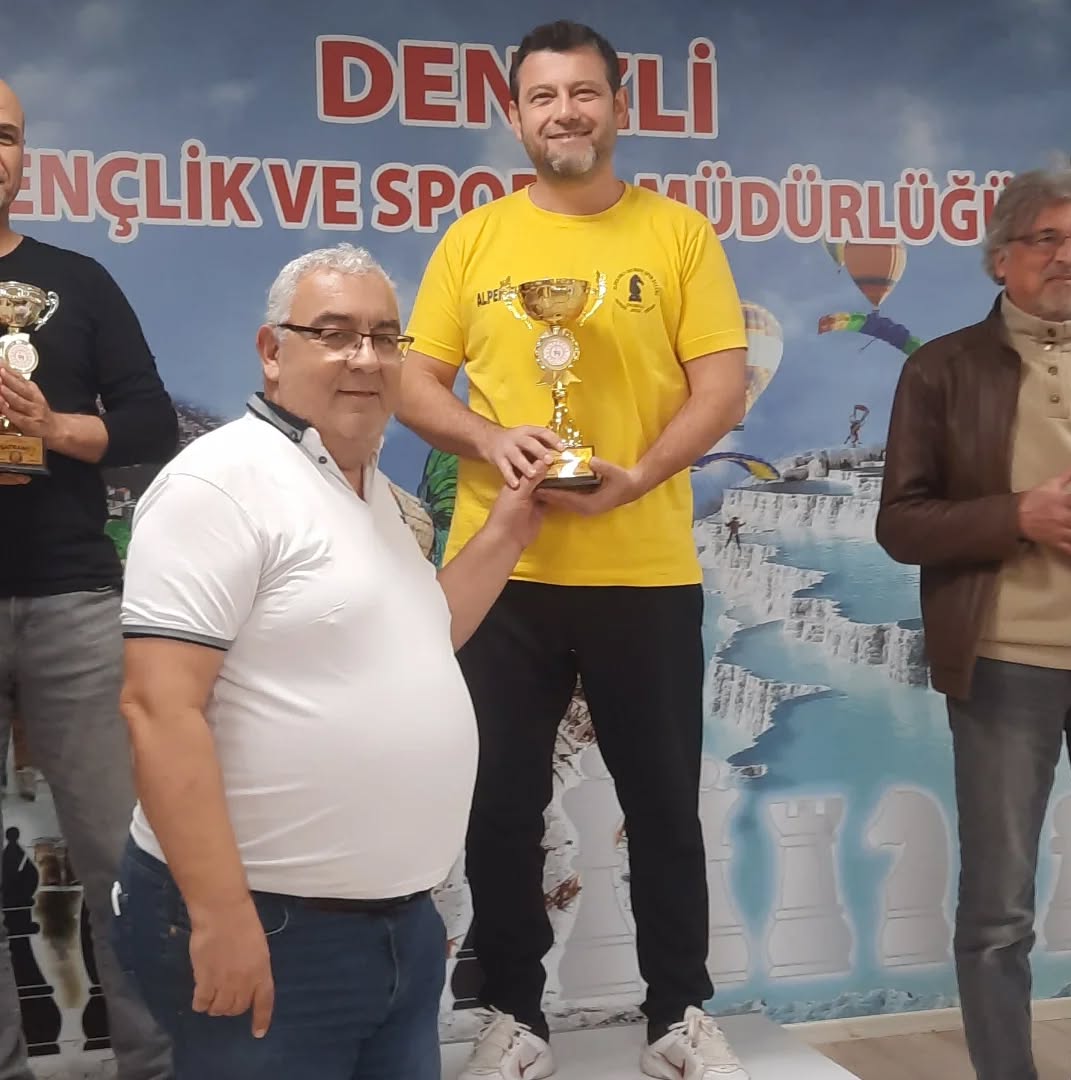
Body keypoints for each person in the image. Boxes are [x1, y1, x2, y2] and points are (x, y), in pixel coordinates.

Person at [397, 20, 749, 1080]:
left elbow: (721, 389)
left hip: (643, 570)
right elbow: (416, 381)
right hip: (503, 574)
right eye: (544, 97)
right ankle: (514, 1013)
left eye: (584, 93)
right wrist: (486, 438)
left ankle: (679, 1014)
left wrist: (639, 474)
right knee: (500, 806)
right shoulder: (475, 240)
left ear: (618, 108)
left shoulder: (678, 235)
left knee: (663, 807)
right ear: (516, 117)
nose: (565, 113)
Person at [110, 243, 546, 1080]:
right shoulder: (222, 484)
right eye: (336, 334)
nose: (366, 359)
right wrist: (219, 915)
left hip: (397, 928)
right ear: (273, 351)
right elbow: (159, 708)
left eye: (385, 337)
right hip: (269, 928)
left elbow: (419, 636)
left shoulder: (366, 489)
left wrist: (508, 531)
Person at [877, 168, 1071, 1080]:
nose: (1069, 256)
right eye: (1048, 238)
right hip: (1006, 664)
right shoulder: (941, 369)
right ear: (1002, 259)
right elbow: (901, 524)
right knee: (1000, 913)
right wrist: (1018, 516)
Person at [0, 79, 177, 1080]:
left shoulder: (77, 280)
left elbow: (150, 423)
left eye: (6, 136)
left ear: (25, 154)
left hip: (72, 598)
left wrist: (52, 429)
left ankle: (155, 1067)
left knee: (117, 857)